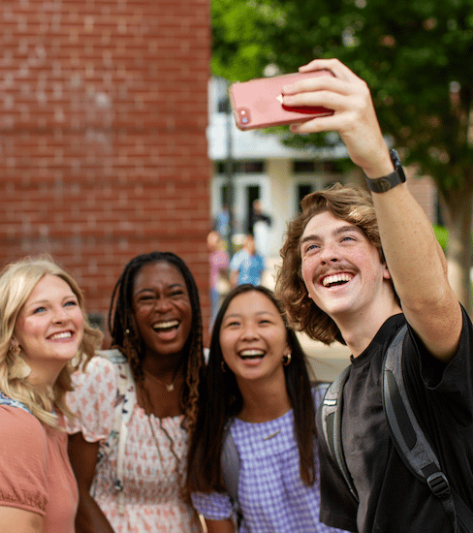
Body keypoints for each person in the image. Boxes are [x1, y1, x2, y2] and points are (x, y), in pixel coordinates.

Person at [276, 58, 472, 533]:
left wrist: (378, 165)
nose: (328, 256)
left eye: (348, 240)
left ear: (387, 263)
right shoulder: (333, 404)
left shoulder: (423, 350)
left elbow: (427, 298)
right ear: (304, 281)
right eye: (312, 248)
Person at [0, 257, 102, 533]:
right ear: (12, 334)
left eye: (69, 303)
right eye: (40, 309)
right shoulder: (9, 423)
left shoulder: (46, 412)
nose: (62, 317)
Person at [186, 284, 346, 533]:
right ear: (220, 349)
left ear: (287, 345)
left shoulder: (333, 408)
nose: (249, 334)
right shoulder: (216, 443)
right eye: (234, 324)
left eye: (263, 322)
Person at [66, 251, 205, 533]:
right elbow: (74, 490)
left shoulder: (209, 376)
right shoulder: (101, 377)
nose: (163, 306)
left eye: (175, 294)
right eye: (147, 298)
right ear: (129, 314)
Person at [208, 230, 230, 326]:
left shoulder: (222, 255)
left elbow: (225, 273)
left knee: (215, 313)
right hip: (206, 287)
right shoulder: (204, 254)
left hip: (215, 288)